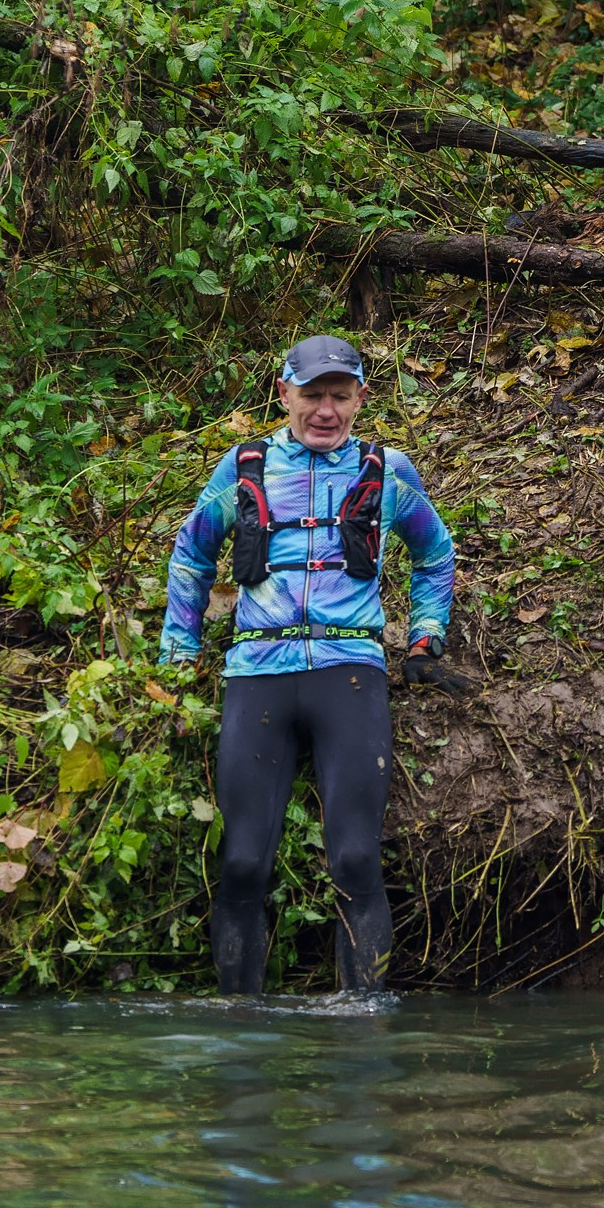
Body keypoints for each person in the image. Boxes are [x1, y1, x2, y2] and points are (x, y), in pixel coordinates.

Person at [160, 332, 456, 995]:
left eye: (339, 397)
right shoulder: (244, 468)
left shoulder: (389, 471)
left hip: (348, 673)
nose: (326, 410)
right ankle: (241, 1024)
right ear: (284, 393)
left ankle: (363, 1023)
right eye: (313, 395)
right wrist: (179, 658)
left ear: (360, 398)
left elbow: (435, 554)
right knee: (240, 865)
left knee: (354, 858)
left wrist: (426, 635)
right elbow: (191, 556)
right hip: (258, 672)